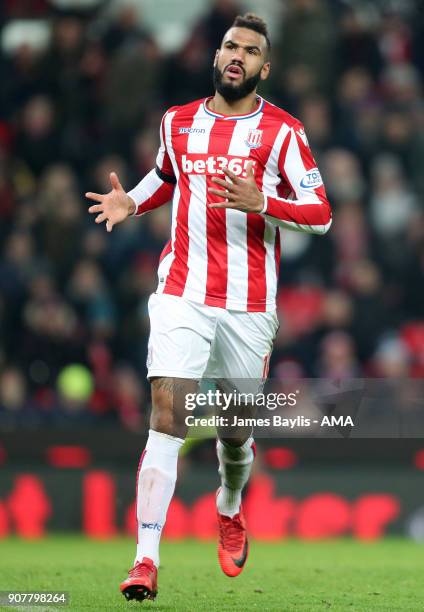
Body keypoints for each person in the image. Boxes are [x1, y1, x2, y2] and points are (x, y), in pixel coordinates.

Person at [86, 13, 332, 603]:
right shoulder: (177, 122)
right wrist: (131, 203)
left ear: (263, 68)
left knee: (233, 429)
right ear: (216, 56)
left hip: (249, 305)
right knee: (167, 412)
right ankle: (145, 559)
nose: (236, 55)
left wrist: (264, 201)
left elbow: (321, 213)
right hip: (182, 292)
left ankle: (228, 504)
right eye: (229, 46)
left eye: (249, 50)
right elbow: (167, 177)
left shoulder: (284, 133)